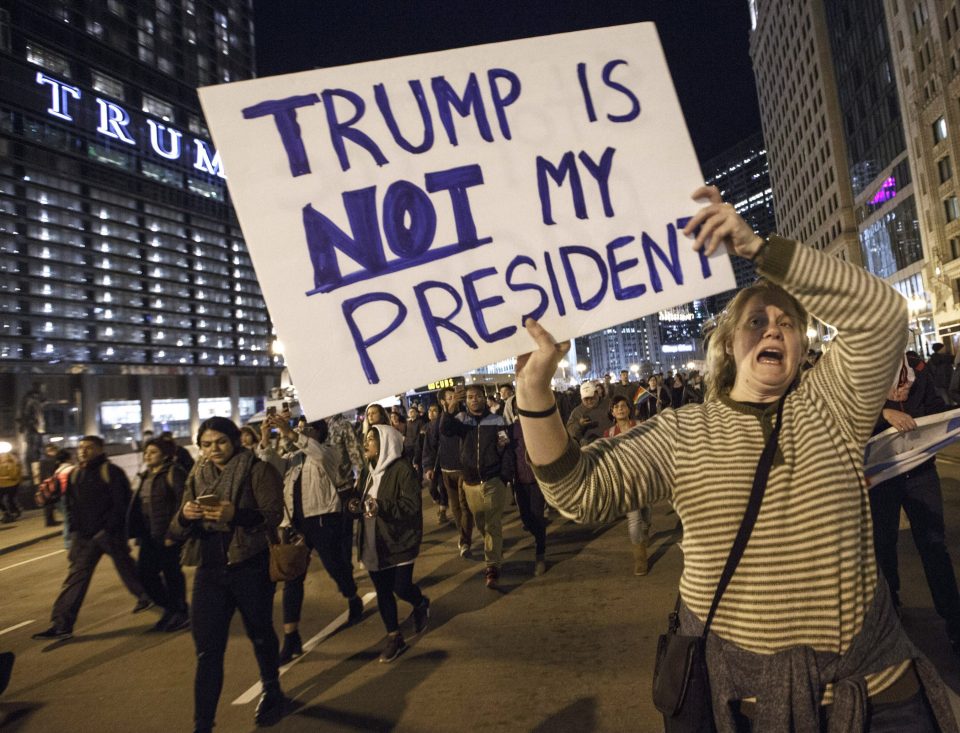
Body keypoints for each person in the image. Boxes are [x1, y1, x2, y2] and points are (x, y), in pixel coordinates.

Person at [514, 185, 958, 731]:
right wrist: (534, 392)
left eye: (788, 323)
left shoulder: (833, 403)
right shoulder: (682, 431)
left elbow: (883, 314)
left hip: (875, 694)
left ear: (799, 349)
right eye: (756, 320)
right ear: (725, 346)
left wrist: (756, 249)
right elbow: (577, 491)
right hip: (744, 705)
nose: (774, 326)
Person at [167, 417, 285, 731]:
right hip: (210, 570)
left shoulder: (257, 470)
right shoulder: (197, 474)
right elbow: (175, 528)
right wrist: (185, 515)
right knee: (207, 650)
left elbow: (273, 514)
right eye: (206, 444)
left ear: (234, 440)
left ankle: (272, 688)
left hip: (250, 565)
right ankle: (203, 723)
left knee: (260, 633)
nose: (213, 449)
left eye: (220, 441)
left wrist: (237, 515)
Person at [870, 354, 960, 654]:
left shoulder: (917, 370)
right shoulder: (864, 372)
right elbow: (846, 416)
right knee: (883, 547)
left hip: (921, 472)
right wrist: (884, 412)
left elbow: (936, 409)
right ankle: (892, 613)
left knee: (934, 546)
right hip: (883, 477)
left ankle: (954, 622)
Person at [259, 414, 363, 664]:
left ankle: (351, 596)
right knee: (292, 578)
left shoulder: (327, 454)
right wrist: (265, 437)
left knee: (335, 566)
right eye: (300, 428)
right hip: (296, 525)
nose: (301, 432)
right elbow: (269, 463)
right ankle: (291, 636)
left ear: (319, 433)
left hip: (324, 520)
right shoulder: (293, 459)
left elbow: (314, 450)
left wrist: (291, 433)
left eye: (307, 429)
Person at [32, 436, 153, 641]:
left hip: (109, 535)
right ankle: (61, 624)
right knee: (76, 578)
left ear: (100, 449)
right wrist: (75, 531)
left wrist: (108, 529)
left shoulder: (111, 472)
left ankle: (152, 598)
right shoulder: (75, 474)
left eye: (89, 447)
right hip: (85, 537)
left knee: (127, 568)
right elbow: (70, 505)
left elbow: (121, 504)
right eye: (80, 447)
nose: (83, 451)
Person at [356, 425, 429, 662]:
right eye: (365, 439)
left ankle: (420, 602)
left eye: (371, 440)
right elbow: (361, 500)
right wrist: (352, 503)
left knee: (401, 586)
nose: (366, 444)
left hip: (399, 540)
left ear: (385, 443)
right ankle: (394, 636)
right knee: (383, 591)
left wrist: (381, 506)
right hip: (373, 541)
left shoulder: (402, 470)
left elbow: (411, 506)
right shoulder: (367, 472)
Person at [441, 384, 514, 588]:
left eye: (478, 396)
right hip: (471, 482)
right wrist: (451, 406)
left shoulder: (497, 420)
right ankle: (494, 550)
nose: (474, 400)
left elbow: (506, 448)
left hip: (493, 480)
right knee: (481, 524)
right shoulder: (462, 421)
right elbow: (445, 430)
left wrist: (505, 476)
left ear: (484, 398)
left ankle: (492, 567)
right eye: (471, 397)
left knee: (492, 524)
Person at [129, 437, 190, 632]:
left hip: (168, 534)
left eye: (153, 452)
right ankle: (171, 608)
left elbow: (183, 502)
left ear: (164, 454)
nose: (148, 455)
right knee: (144, 574)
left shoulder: (173, 472)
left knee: (172, 574)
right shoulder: (145, 475)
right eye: (146, 452)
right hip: (149, 534)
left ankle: (179, 612)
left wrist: (175, 532)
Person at [603, 395, 650, 576]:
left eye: (623, 406)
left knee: (646, 513)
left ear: (629, 409)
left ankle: (646, 531)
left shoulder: (640, 426)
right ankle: (640, 558)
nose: (620, 409)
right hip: (625, 480)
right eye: (616, 407)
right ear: (612, 412)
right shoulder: (609, 434)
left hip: (644, 476)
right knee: (633, 518)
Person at [427, 387, 474, 549]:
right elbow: (431, 447)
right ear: (442, 402)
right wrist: (429, 467)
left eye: (455, 396)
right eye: (449, 397)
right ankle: (464, 535)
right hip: (446, 470)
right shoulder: (435, 423)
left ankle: (465, 539)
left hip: (463, 469)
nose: (454, 399)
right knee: (455, 507)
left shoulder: (465, 417)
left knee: (464, 505)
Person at [0, 452, 23, 523]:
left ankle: (15, 511)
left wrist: (2, 477)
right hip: (2, 485)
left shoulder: (12, 465)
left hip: (12, 484)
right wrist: (5, 477)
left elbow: (13, 476)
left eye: (3, 456)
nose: (2, 457)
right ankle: (6, 512)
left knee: (10, 499)